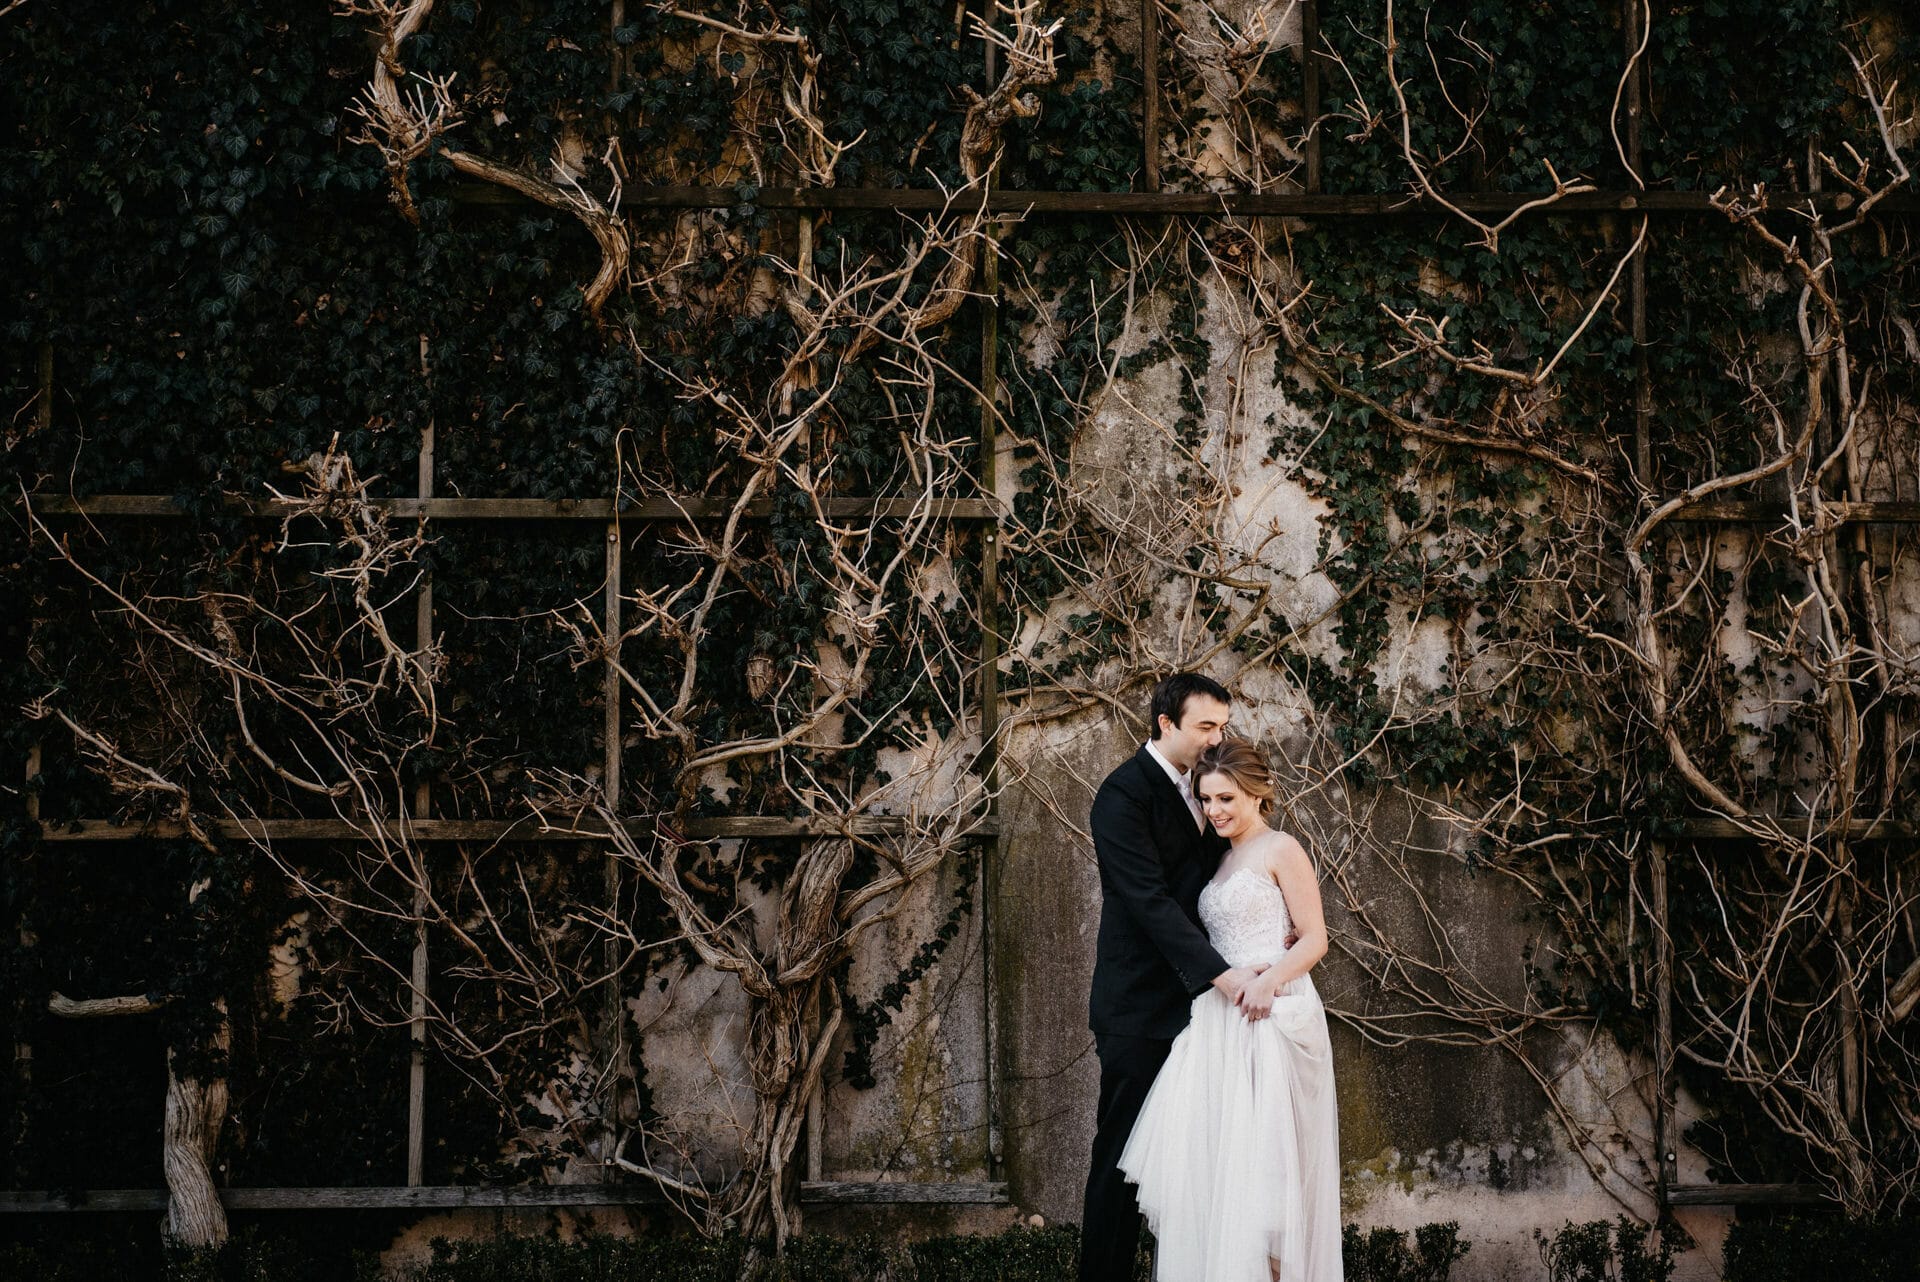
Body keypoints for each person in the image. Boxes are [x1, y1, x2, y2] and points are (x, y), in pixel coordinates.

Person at [1117, 737, 1341, 1282]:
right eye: (1206, 799)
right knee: (1222, 1176)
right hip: (1220, 1021)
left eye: (1226, 799)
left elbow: (1315, 939)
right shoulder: (1217, 860)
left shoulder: (1282, 849)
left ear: (1258, 794)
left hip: (1269, 1018)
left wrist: (1271, 980)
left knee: (1269, 1180)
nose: (1215, 811)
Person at [1078, 673, 1272, 1282]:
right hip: (1139, 1010)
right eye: (1206, 727)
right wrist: (1226, 977)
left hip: (1200, 1016)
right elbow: (1150, 901)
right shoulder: (1122, 796)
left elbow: (1223, 886)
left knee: (1193, 1165)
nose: (1218, 737)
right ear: (1166, 724)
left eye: (1223, 725)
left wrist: (1273, 934)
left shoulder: (1208, 793)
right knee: (1122, 1165)